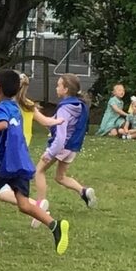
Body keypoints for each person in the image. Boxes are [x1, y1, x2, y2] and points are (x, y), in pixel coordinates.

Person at [0, 68, 70, 254]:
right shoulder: (16, 108)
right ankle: (55, 225)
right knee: (24, 204)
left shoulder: (1, 107)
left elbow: (3, 124)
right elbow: (10, 134)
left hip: (4, 163)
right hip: (20, 161)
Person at [33, 74, 95, 217]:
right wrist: (37, 114)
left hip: (61, 146)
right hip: (72, 147)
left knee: (39, 171)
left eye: (58, 85)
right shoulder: (78, 105)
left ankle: (40, 205)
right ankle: (83, 191)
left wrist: (50, 153)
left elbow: (60, 135)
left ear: (66, 89)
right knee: (60, 177)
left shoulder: (65, 109)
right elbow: (51, 123)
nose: (56, 88)